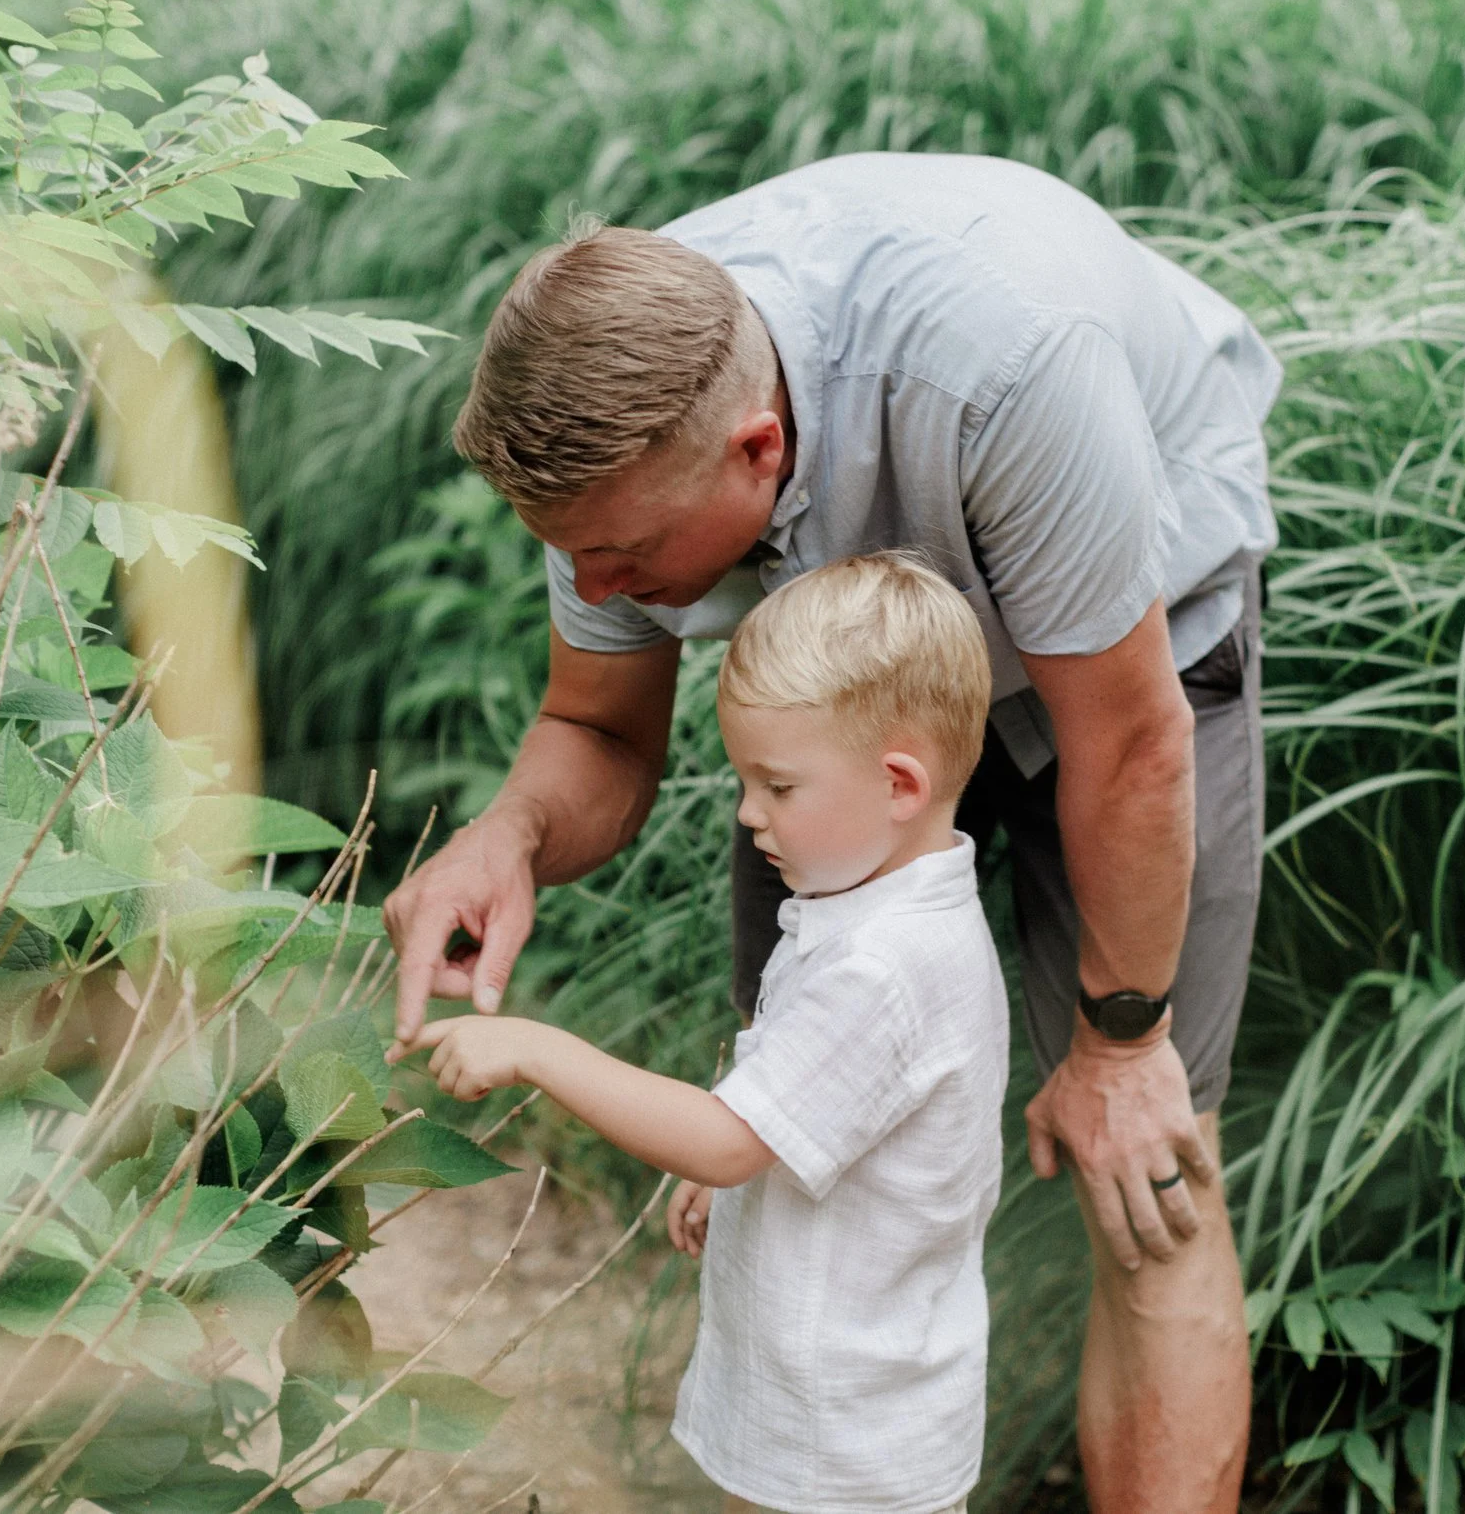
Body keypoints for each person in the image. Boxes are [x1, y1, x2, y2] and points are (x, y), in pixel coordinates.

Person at [384, 151, 1276, 1513]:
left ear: (756, 449)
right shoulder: (620, 419)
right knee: (806, 1136)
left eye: (623, 558)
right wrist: (507, 832)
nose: (602, 589)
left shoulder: (1005, 364)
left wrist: (1123, 1036)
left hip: (1124, 650)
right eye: (575, 561)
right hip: (841, 712)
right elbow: (605, 733)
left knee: (1147, 1176)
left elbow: (1130, 740)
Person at [407, 554, 1008, 1514]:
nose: (747, 812)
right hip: (832, 1410)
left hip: (844, 1439)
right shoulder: (868, 905)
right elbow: (785, 1111)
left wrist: (537, 1048)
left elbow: (731, 1142)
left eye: (776, 785)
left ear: (899, 783)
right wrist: (739, 1140)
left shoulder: (886, 964)